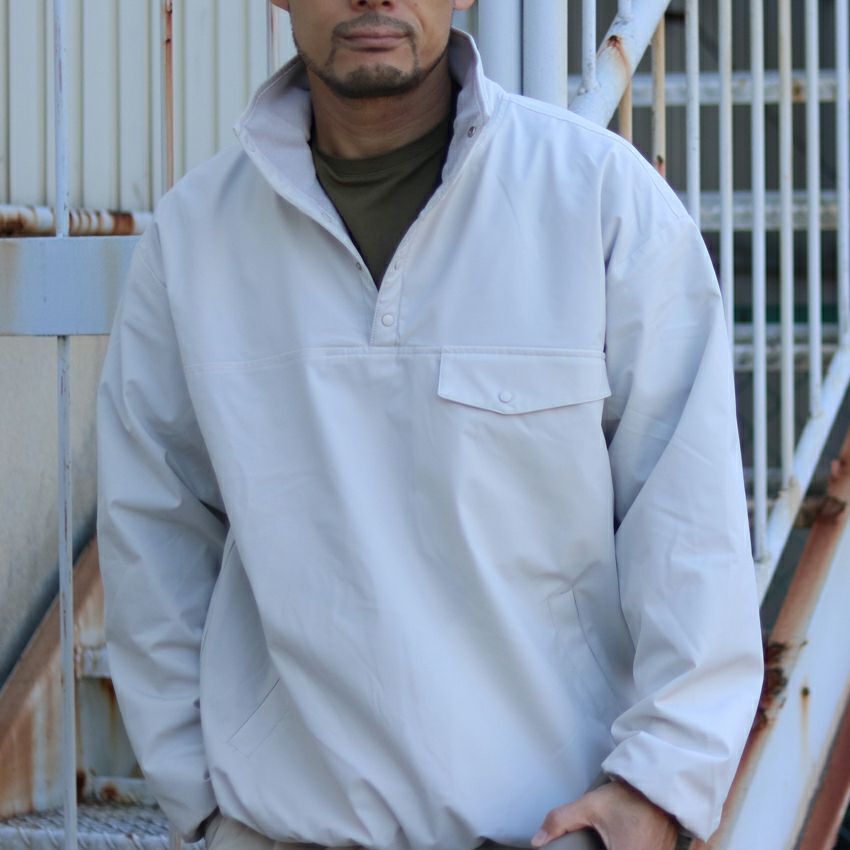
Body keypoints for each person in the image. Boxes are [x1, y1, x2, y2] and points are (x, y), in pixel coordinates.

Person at [96, 1, 765, 849]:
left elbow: (690, 525)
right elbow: (153, 534)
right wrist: (196, 794)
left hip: (548, 830)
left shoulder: (597, 198)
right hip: (284, 829)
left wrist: (657, 787)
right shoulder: (196, 238)